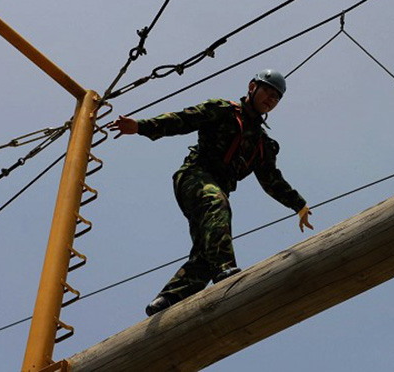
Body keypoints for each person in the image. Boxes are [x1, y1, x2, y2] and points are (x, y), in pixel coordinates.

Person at [107, 69, 313, 316]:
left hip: (217, 188)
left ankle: (167, 300)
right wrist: (140, 127)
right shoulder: (223, 110)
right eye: (268, 91)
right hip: (194, 176)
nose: (271, 99)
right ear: (252, 87)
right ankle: (226, 269)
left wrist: (298, 205)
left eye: (276, 98)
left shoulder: (262, 144)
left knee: (207, 253)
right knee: (217, 205)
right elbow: (183, 120)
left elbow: (271, 180)